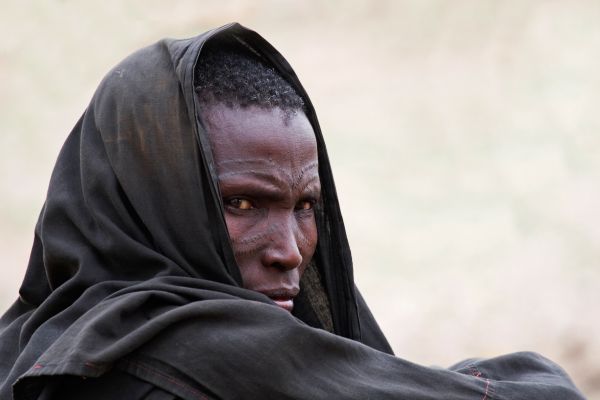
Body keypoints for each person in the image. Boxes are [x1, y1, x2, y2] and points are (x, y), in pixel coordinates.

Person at [0, 23, 585, 400]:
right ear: (149, 200)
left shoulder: (30, 350)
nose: (288, 251)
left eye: (306, 207)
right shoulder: (194, 363)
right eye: (242, 204)